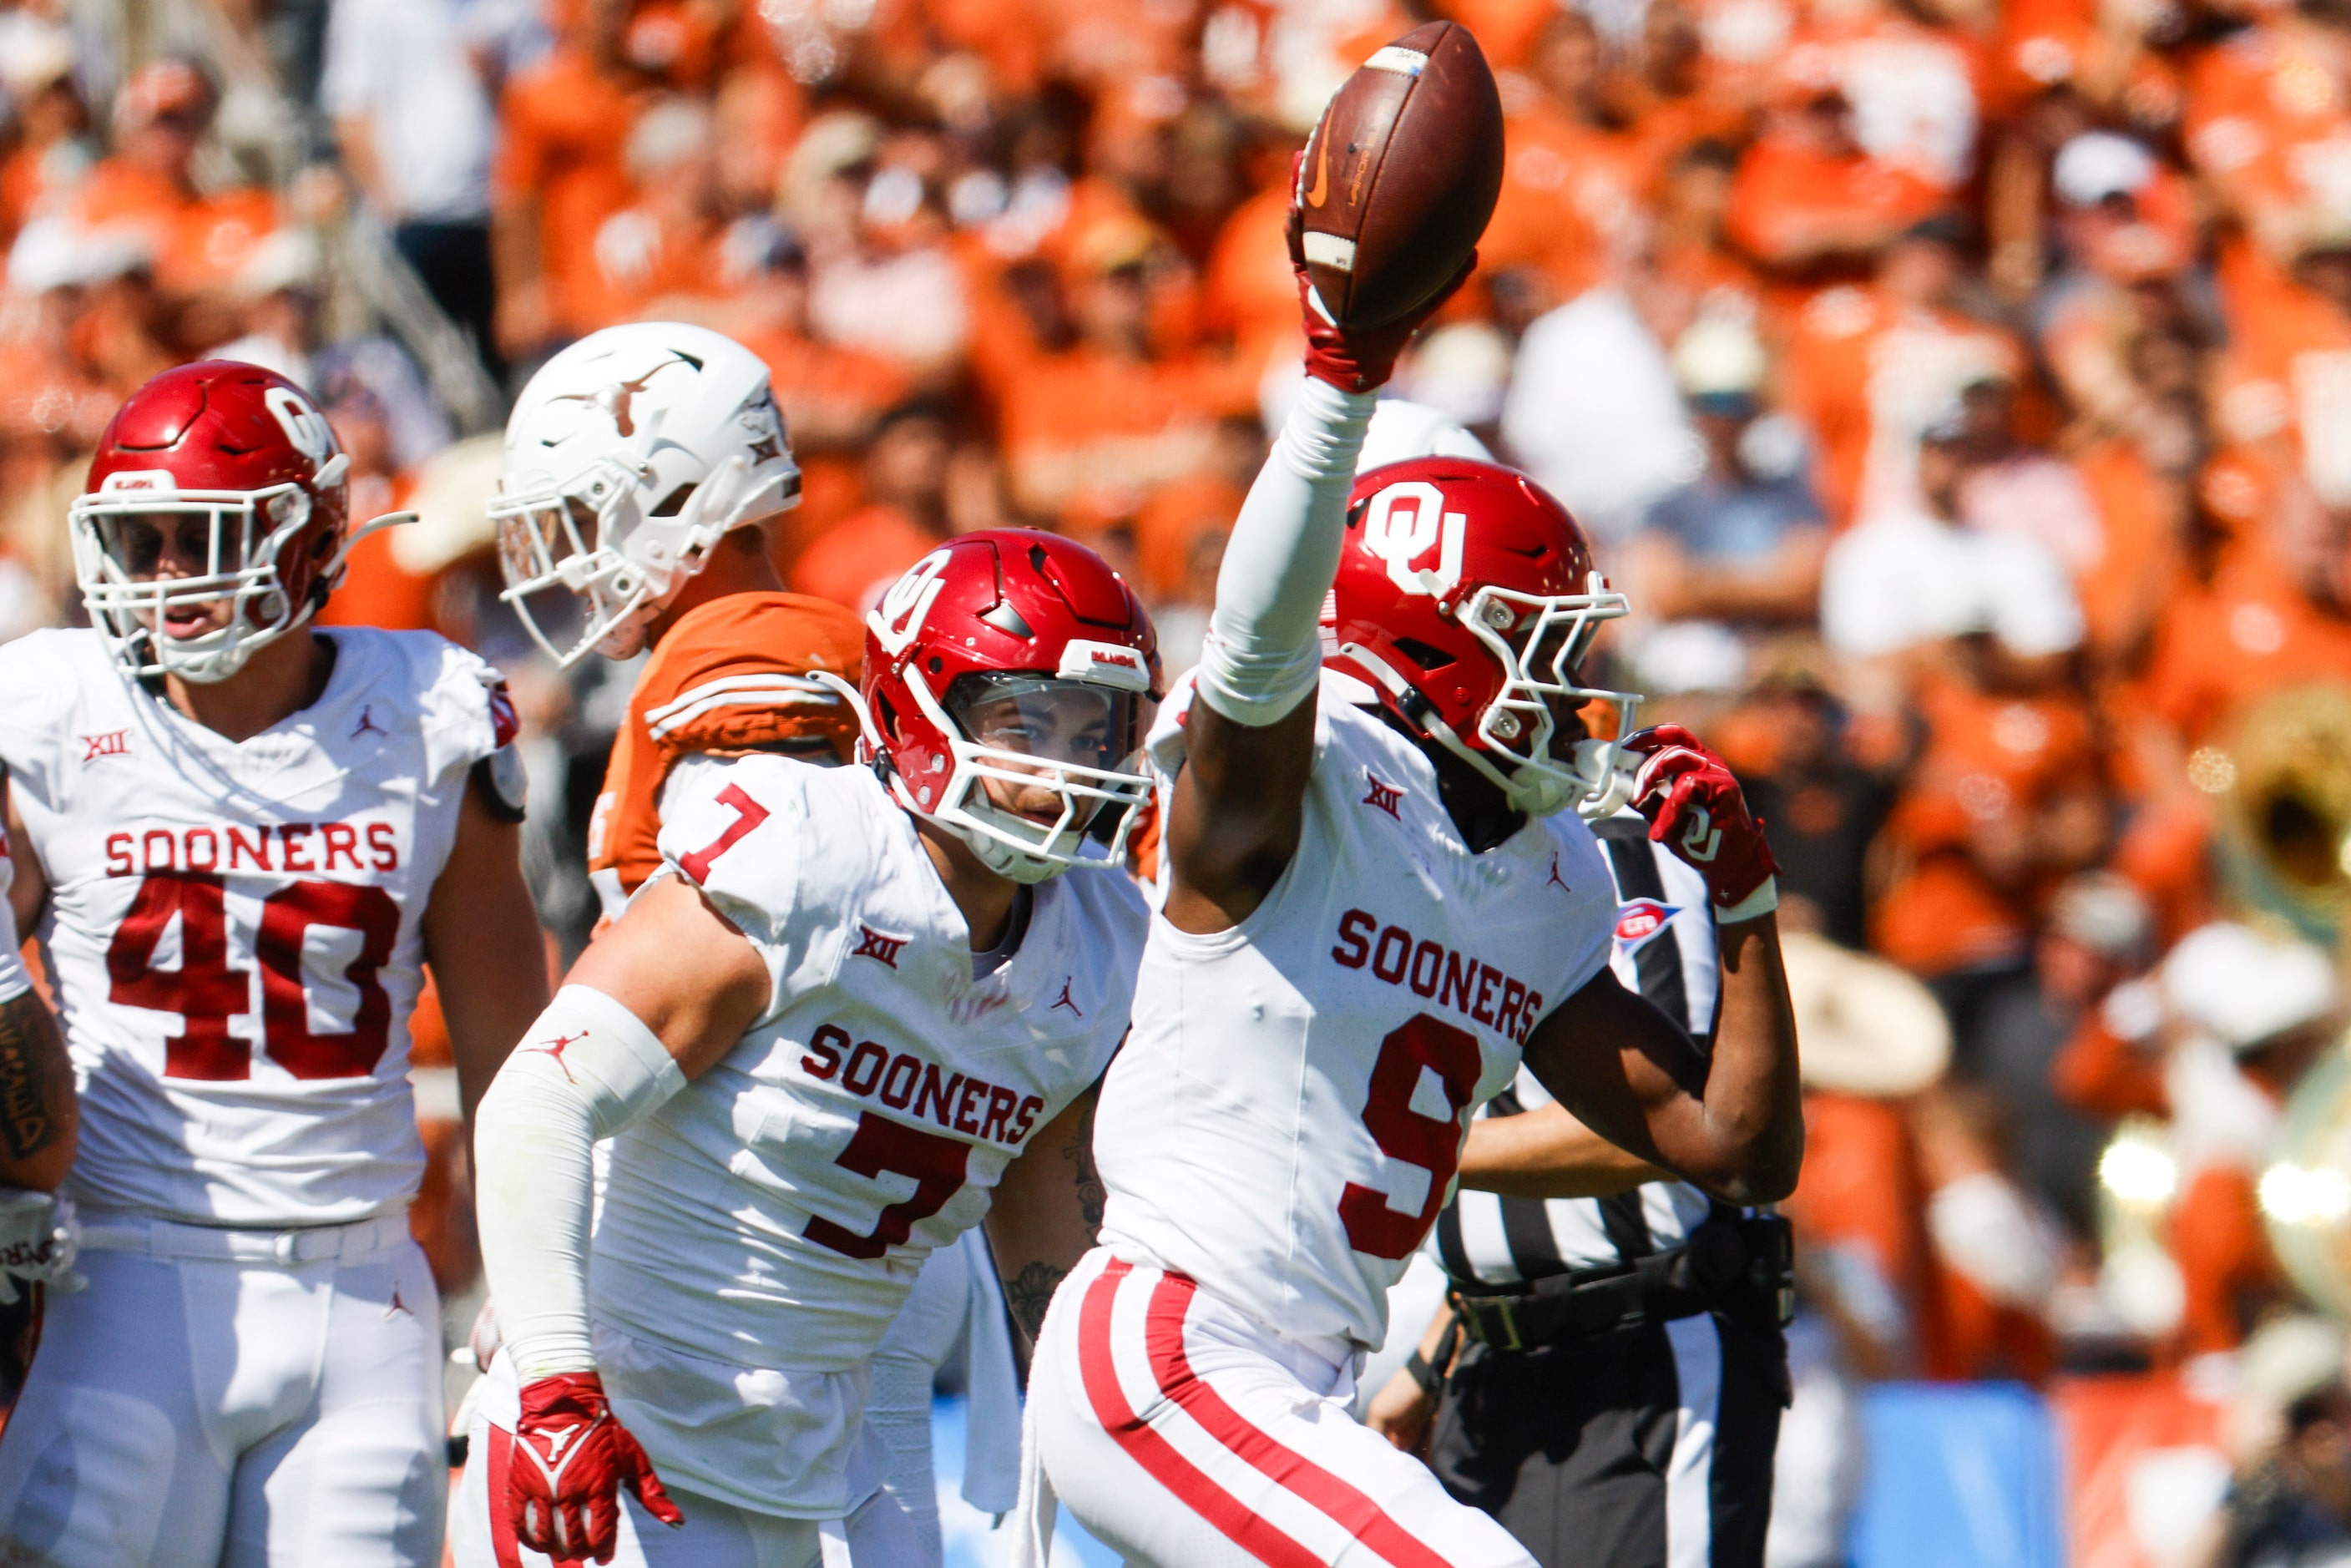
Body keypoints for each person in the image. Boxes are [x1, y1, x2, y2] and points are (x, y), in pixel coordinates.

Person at [1019, 205, 1804, 1565]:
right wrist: (1337, 377)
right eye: (1538, 647)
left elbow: (1736, 1149)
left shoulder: (1547, 868)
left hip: (1305, 1377)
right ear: (1436, 648)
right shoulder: (1298, 784)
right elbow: (1259, 652)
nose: (1574, 686)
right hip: (1175, 1342)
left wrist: (1743, 912)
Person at [456, 529, 1161, 1566]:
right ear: (917, 708)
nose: (1059, 769)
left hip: (814, 1459)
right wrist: (560, 1382)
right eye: (1022, 721)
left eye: (1090, 730)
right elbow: (541, 1099)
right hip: (624, 1428)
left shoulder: (1097, 942)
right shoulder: (814, 850)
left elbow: (1052, 1270)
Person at [0, 359, 549, 1565]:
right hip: (127, 1274)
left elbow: (519, 1052)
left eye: (195, 539)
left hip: (365, 1289)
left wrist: (545, 1298)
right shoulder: (50, 708)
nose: (160, 579)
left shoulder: (426, 713)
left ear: (305, 538)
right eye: (137, 540)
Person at [489, 319, 1016, 1563]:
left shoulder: (745, 653)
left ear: (687, 496)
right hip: (862, 1209)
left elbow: (789, 927)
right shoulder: (812, 634)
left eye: (593, 513)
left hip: (747, 1244)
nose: (571, 555)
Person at [1363, 792, 1792, 1568]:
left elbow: (1678, 1129)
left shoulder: (1620, 852)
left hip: (1640, 1359)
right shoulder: (1425, 847)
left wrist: (1430, 1148)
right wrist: (1443, 1345)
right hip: (1487, 1369)